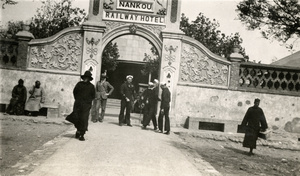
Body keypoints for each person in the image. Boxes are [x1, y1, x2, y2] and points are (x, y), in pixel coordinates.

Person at [66, 71, 95, 141]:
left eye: (87, 78)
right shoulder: (79, 84)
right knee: (77, 117)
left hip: (86, 105)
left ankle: (82, 134)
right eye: (85, 77)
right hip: (78, 104)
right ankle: (78, 130)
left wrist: (88, 102)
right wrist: (78, 99)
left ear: (89, 79)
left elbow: (93, 96)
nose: (85, 79)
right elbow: (74, 92)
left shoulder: (91, 86)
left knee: (84, 118)